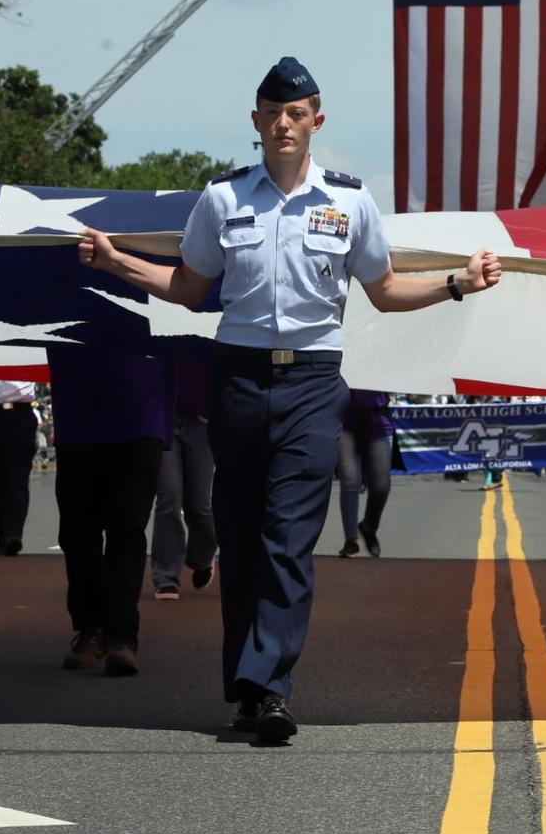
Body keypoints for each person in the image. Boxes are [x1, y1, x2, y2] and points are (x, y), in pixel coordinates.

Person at [77, 55, 502, 745]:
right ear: (256, 121)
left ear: (316, 122)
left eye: (296, 114)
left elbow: (386, 291)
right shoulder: (223, 199)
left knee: (289, 537)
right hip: (239, 378)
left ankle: (271, 685)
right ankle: (247, 688)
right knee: (242, 534)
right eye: (272, 113)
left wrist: (458, 282)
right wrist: (114, 259)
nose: (283, 124)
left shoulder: (349, 202)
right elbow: (188, 287)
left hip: (313, 380)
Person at [49, 348, 174, 676]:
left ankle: (121, 635)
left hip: (140, 411)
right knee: (77, 532)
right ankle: (91, 627)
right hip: (78, 413)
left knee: (127, 527)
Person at [151, 359, 217, 597]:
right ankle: (166, 576)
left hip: (200, 419)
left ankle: (202, 556)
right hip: (162, 418)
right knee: (169, 497)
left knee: (199, 505)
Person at [0, 375, 40, 555]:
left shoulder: (27, 355)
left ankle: (14, 534)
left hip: (21, 411)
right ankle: (3, 535)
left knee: (18, 477)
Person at [336, 388, 395, 558]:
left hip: (377, 420)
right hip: (345, 419)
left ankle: (369, 527)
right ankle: (351, 539)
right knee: (349, 479)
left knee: (381, 486)